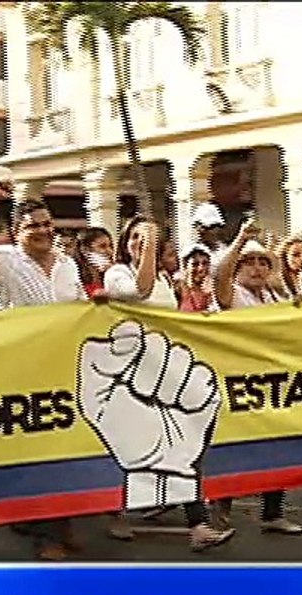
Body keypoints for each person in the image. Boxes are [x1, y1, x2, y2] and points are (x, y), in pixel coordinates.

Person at [0, 178, 88, 560]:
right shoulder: (5, 262)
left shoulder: (68, 264)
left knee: (65, 448)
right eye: (33, 225)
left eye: (47, 223)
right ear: (17, 233)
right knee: (38, 449)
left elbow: (81, 307)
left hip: (66, 367)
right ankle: (47, 534)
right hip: (22, 370)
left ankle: (58, 523)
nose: (43, 231)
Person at [102, 216, 235, 551]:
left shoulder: (164, 278)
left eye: (146, 237)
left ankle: (198, 524)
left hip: (163, 372)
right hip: (129, 376)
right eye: (134, 236)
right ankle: (115, 510)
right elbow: (139, 291)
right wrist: (148, 247)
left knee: (186, 442)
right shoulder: (117, 274)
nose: (139, 241)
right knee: (120, 447)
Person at [212, 218, 302, 535]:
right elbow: (219, 278)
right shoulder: (233, 295)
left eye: (262, 262)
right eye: (248, 263)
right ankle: (220, 509)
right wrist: (239, 241)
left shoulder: (273, 298)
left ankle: (272, 512)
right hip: (239, 383)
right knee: (237, 449)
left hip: (272, 382)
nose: (256, 269)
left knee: (277, 448)